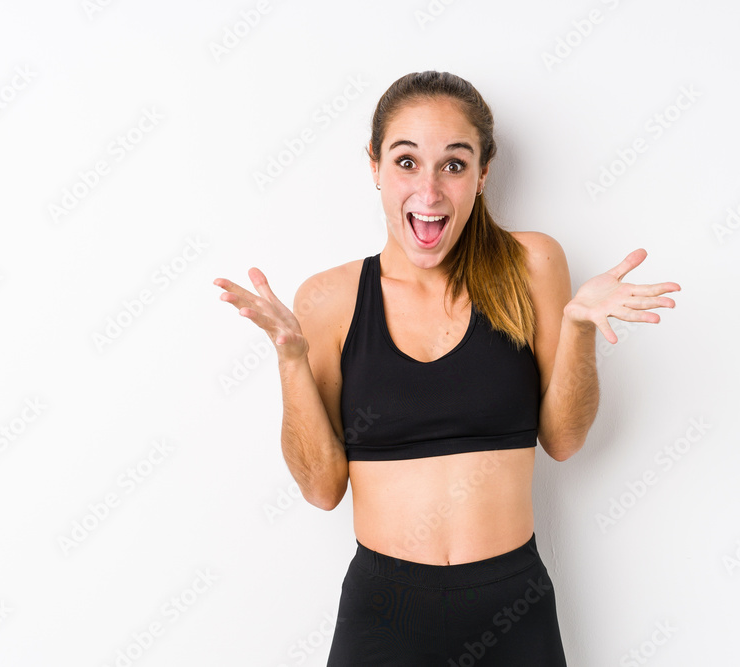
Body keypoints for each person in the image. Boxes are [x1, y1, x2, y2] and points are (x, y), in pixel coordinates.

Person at [213, 71, 680, 665]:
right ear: (375, 166)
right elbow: (320, 489)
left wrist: (580, 331)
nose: (429, 191)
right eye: (406, 162)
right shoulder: (329, 300)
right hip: (384, 614)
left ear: (482, 174)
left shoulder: (532, 264)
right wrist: (290, 359)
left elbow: (563, 441)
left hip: (513, 607)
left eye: (454, 165)